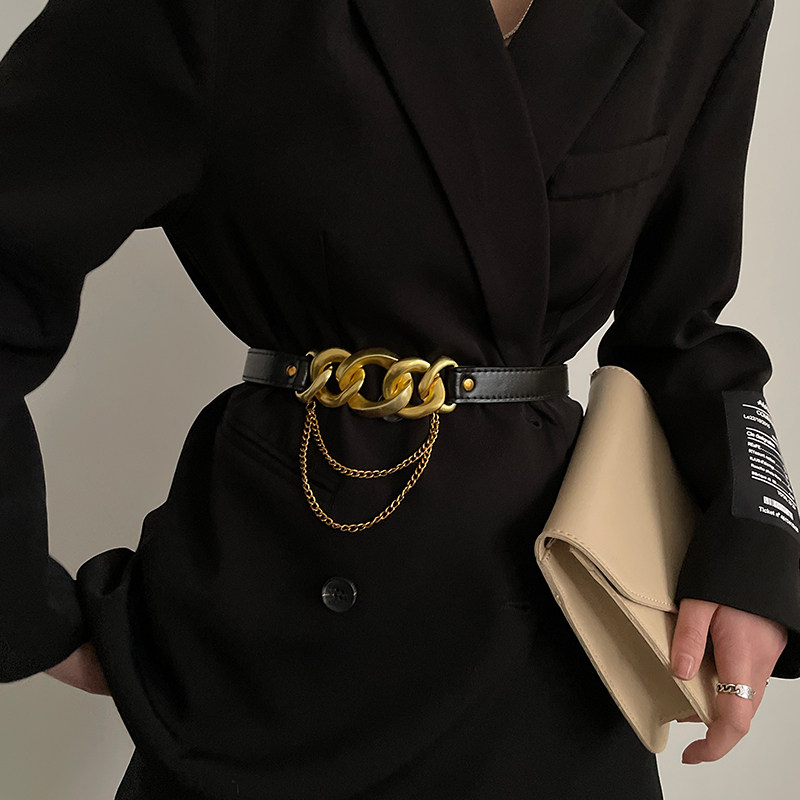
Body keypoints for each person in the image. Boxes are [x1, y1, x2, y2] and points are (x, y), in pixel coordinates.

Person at [1, 0, 798, 798]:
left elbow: (681, 330)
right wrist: (23, 614)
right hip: (274, 651)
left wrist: (754, 544)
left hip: (554, 651)